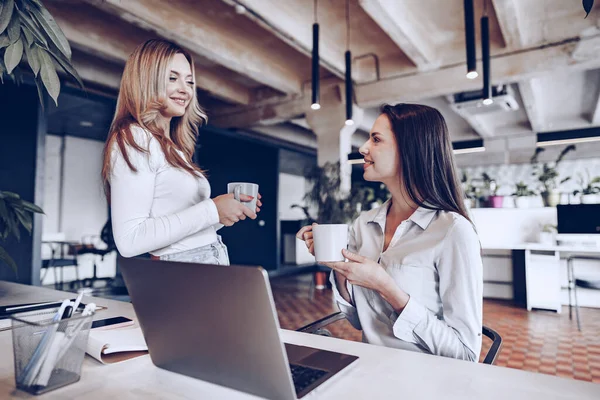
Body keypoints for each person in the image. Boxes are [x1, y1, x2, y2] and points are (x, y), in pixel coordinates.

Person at [296, 104, 482, 362]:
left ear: (409, 149)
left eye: (376, 139)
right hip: (369, 371)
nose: (363, 148)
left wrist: (387, 288)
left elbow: (465, 355)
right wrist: (338, 266)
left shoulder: (453, 231)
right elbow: (359, 321)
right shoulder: (364, 224)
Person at [102, 39, 261, 265]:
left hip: (205, 265)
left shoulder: (174, 148)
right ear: (146, 80)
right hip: (182, 273)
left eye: (189, 81)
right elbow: (130, 240)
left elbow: (180, 230)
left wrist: (223, 215)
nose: (185, 90)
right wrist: (213, 210)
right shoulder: (135, 138)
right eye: (172, 78)